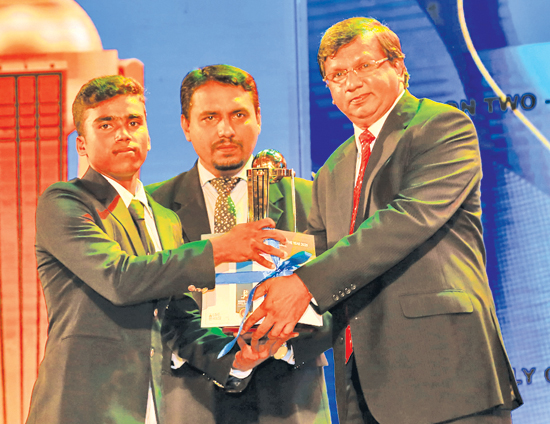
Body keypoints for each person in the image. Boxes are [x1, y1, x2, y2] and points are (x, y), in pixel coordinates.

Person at [242, 17, 523, 424]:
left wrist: (303, 284)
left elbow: (405, 220)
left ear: (398, 66)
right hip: (363, 384)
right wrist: (273, 324)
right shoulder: (334, 167)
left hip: (445, 372)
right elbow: (316, 253)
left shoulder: (442, 126)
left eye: (364, 66)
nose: (351, 83)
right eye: (337, 75)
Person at [26, 75, 290, 424]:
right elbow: (120, 279)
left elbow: (177, 319)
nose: (124, 134)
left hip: (157, 407)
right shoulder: (66, 202)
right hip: (83, 407)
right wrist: (217, 250)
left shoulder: (165, 218)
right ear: (82, 144)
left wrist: (236, 360)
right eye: (106, 124)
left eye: (134, 122)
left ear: (149, 136)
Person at [147, 64, 332, 424]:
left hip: (292, 394)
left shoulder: (307, 198)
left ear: (258, 118)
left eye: (238, 114)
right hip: (191, 394)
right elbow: (151, 298)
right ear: (186, 125)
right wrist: (227, 357)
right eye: (209, 117)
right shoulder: (155, 206)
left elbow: (341, 288)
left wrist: (285, 344)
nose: (226, 130)